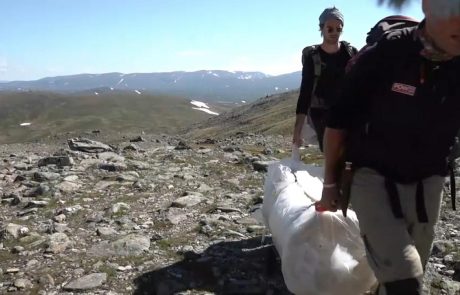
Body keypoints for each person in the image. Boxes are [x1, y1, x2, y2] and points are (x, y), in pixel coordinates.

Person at [319, 0, 460, 294]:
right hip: (373, 177)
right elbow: (338, 124)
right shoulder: (387, 54)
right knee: (404, 278)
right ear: (428, 7)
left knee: (410, 273)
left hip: (429, 179)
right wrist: (330, 184)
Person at [292, 7, 357, 152]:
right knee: (332, 154)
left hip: (346, 111)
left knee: (349, 156)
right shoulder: (313, 57)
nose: (335, 33)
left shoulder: (350, 53)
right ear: (321, 28)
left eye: (338, 29)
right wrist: (298, 129)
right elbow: (305, 93)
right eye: (330, 29)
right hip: (321, 114)